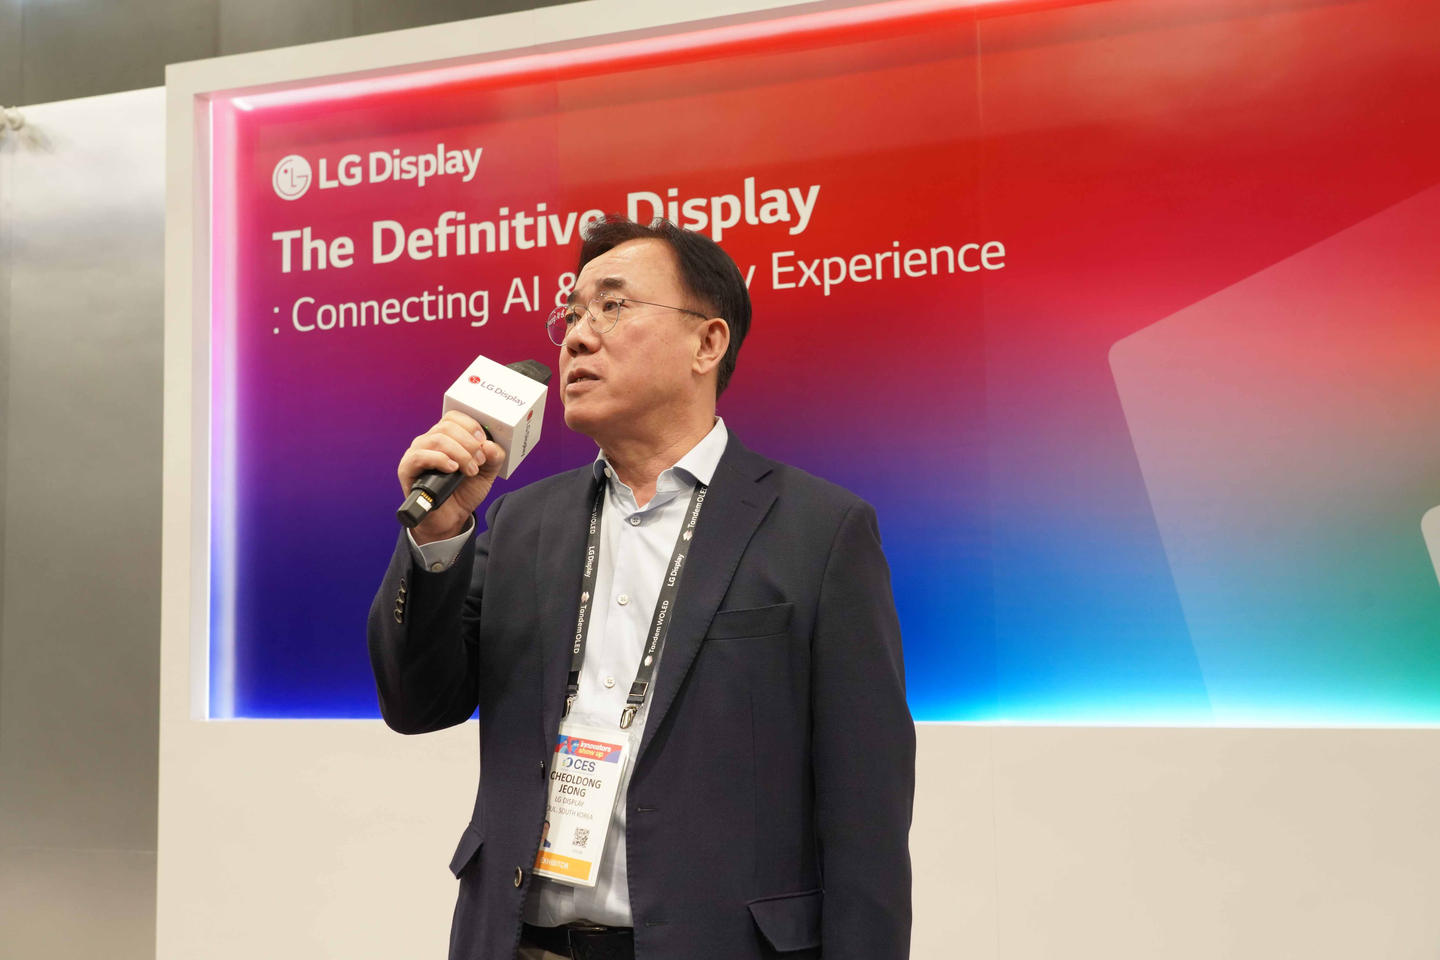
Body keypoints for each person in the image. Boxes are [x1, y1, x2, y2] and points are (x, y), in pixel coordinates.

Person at [368, 216, 915, 960]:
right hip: (518, 942)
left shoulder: (820, 530)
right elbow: (416, 702)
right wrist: (437, 538)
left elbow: (866, 817)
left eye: (613, 307)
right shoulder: (523, 520)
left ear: (707, 343)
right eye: (572, 313)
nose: (579, 337)